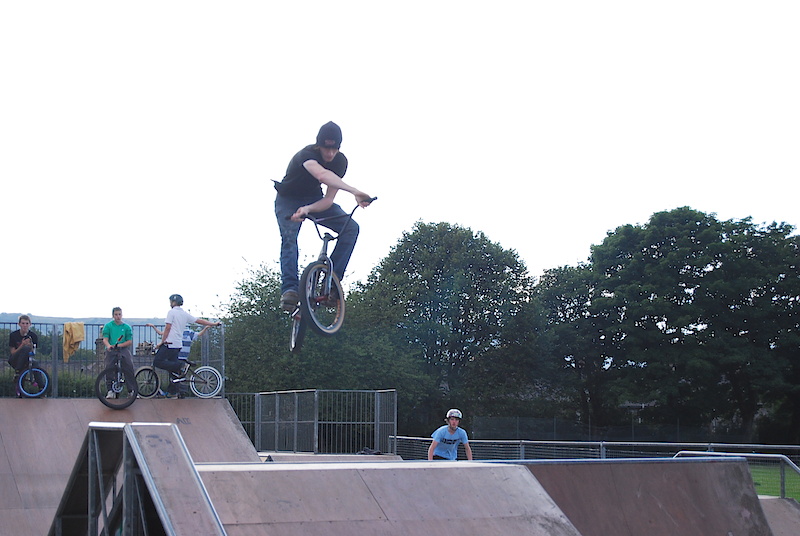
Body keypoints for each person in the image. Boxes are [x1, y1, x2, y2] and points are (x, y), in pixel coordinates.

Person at [273, 121, 374, 311]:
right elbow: (321, 175)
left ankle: (333, 281)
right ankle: (290, 290)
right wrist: (354, 191)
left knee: (351, 228)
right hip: (287, 199)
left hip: (315, 200)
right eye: (326, 149)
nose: (329, 154)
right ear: (319, 146)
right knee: (289, 239)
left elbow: (328, 201)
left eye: (334, 149)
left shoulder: (340, 162)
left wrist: (309, 208)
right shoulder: (307, 155)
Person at [152, 294, 221, 398]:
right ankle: (173, 393)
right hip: (178, 345)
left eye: (170, 302)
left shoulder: (171, 312)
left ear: (173, 302)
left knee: (157, 361)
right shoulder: (184, 314)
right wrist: (213, 324)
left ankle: (181, 365)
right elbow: (199, 321)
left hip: (169, 343)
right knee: (174, 371)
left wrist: (162, 342)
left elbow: (167, 328)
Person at [146, 321, 213, 396]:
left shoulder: (178, 333)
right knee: (175, 374)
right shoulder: (187, 333)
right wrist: (205, 328)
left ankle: (176, 391)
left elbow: (161, 333)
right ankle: (174, 392)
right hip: (180, 355)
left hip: (178, 356)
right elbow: (199, 334)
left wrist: (153, 327)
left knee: (173, 373)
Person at [101, 307, 136, 399]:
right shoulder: (108, 326)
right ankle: (110, 390)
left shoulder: (126, 327)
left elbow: (129, 341)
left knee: (129, 365)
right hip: (111, 349)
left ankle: (131, 390)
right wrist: (109, 346)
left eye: (119, 314)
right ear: (113, 316)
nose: (118, 316)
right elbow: (105, 339)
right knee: (109, 366)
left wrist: (119, 345)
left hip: (123, 349)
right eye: (116, 315)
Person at [8, 315, 39, 397]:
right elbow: (13, 352)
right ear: (19, 324)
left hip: (25, 360)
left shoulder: (33, 336)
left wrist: (31, 346)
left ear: (30, 324)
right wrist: (22, 345)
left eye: (26, 323)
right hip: (14, 359)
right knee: (24, 349)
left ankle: (42, 389)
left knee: (35, 364)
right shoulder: (13, 335)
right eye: (23, 323)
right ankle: (18, 372)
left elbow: (33, 353)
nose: (25, 325)